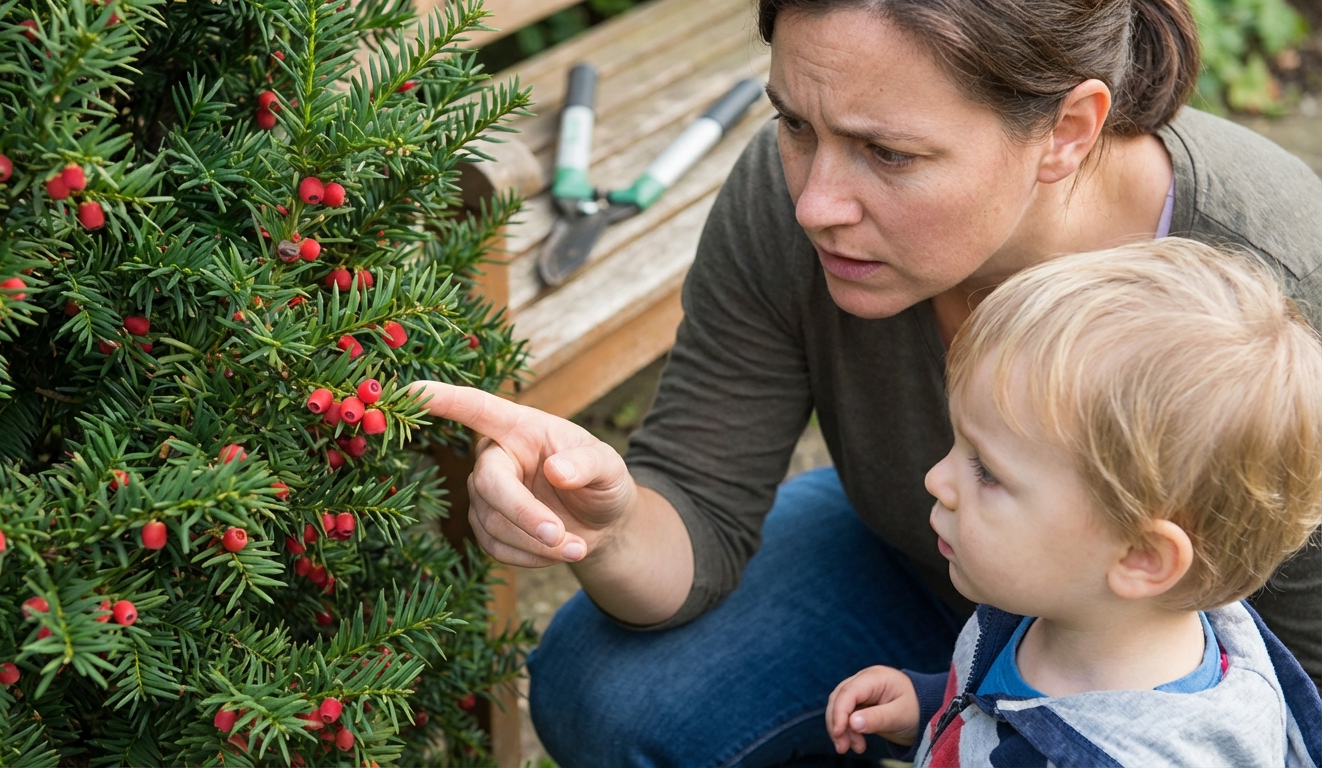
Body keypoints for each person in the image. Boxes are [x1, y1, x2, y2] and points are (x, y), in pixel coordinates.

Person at [412, 0, 1322, 761]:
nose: (814, 204)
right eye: (796, 125)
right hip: (922, 572)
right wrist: (599, 524)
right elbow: (697, 509)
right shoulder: (788, 203)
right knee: (602, 687)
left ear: (1067, 130)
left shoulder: (1282, 283)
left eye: (890, 155)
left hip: (1143, 684)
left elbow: (1308, 674)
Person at [825, 240, 1322, 766]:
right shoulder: (1059, 601)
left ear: (1141, 557)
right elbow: (996, 711)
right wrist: (930, 708)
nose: (935, 479)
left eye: (987, 471)